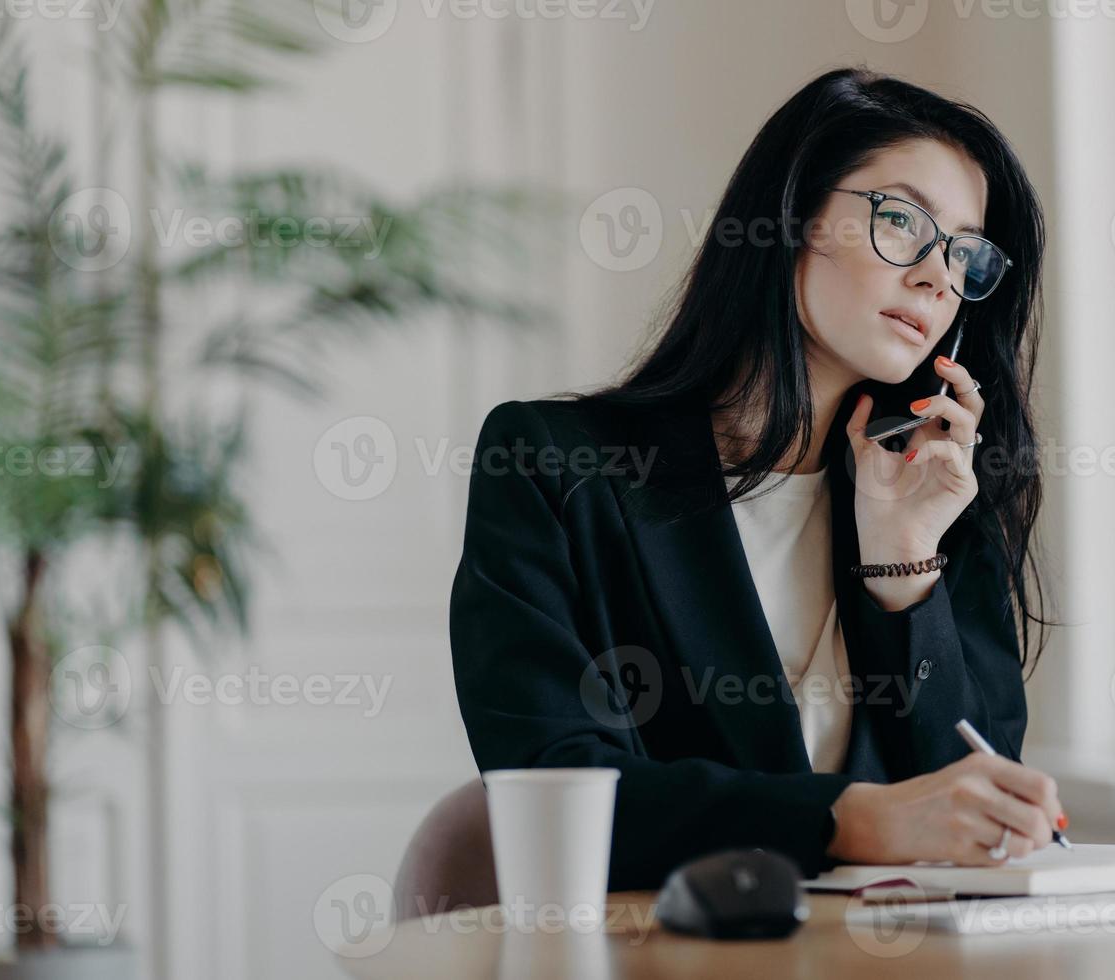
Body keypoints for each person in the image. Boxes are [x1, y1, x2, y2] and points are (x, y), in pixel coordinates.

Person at [450, 66, 1064, 892]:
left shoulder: (938, 498)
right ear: (790, 215)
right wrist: (849, 817)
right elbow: (554, 787)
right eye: (903, 222)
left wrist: (903, 565)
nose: (935, 277)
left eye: (965, 254)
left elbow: (971, 806)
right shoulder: (553, 465)